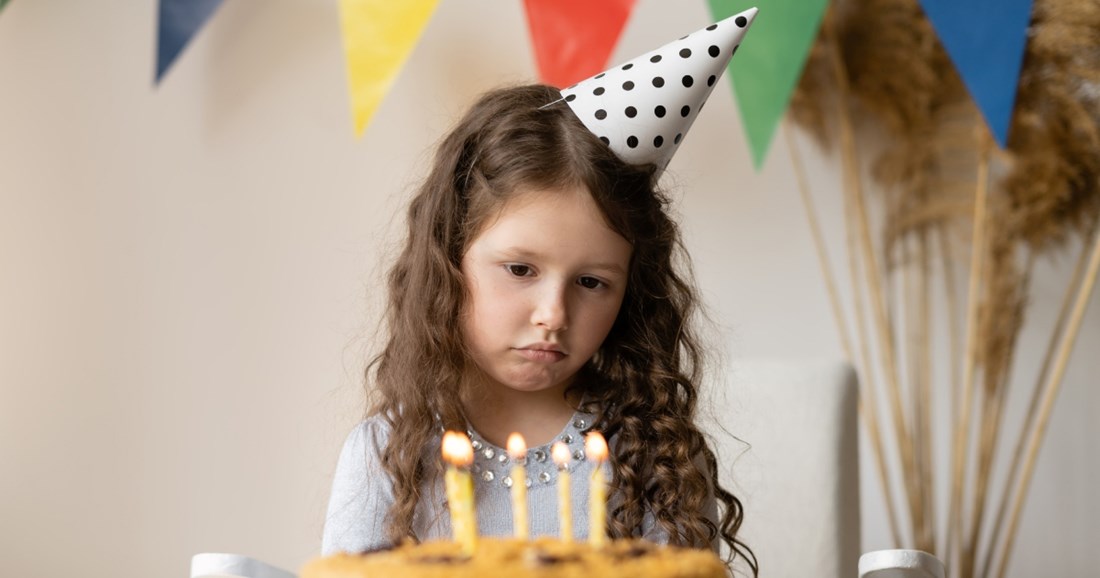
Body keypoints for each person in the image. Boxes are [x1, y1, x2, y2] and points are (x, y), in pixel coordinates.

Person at [322, 9, 759, 575]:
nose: (553, 314)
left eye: (591, 282)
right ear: (449, 258)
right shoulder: (386, 457)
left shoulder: (657, 462)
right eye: (520, 270)